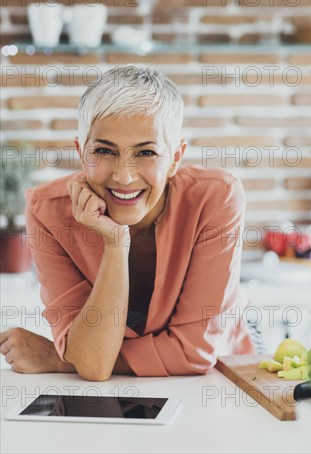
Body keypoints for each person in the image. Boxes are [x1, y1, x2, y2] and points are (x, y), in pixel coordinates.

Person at [0, 65, 255, 380]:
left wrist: (63, 358)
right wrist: (115, 242)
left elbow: (194, 353)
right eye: (104, 151)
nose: (123, 175)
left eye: (145, 152)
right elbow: (94, 367)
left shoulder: (216, 197)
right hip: (113, 393)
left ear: (175, 158)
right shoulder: (47, 212)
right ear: (82, 153)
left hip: (222, 378)